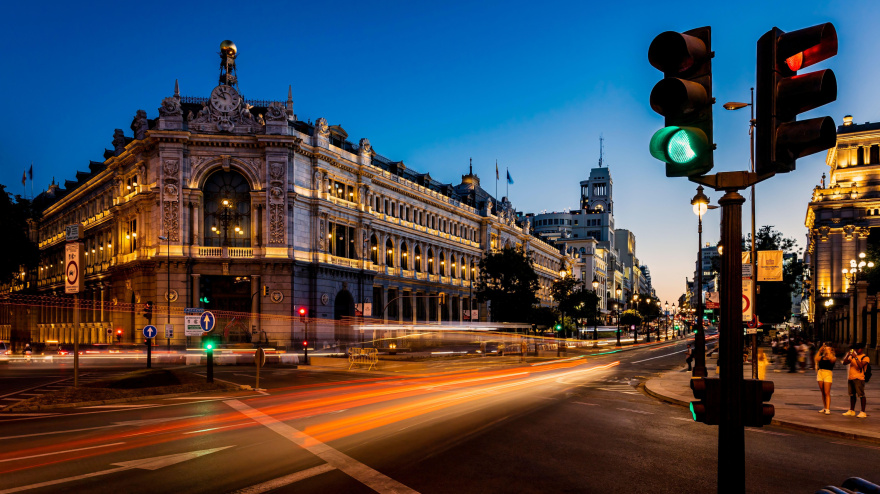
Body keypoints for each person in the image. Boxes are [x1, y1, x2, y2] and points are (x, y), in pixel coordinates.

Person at [842, 342, 870, 418]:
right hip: (851, 377)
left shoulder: (865, 357)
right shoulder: (853, 356)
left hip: (859, 378)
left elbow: (860, 366)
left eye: (858, 349)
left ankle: (863, 411)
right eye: (855, 349)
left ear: (862, 349)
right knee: (852, 395)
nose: (857, 350)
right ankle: (851, 410)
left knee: (861, 395)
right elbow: (844, 363)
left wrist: (856, 357)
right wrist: (848, 355)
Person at [815, 342, 836, 415]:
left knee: (827, 392)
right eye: (825, 349)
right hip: (820, 373)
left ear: (831, 350)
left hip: (827, 374)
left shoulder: (833, 358)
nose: (826, 350)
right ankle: (824, 407)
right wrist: (819, 351)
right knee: (823, 392)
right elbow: (816, 358)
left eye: (828, 349)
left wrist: (828, 352)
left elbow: (831, 359)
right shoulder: (822, 357)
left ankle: (828, 409)